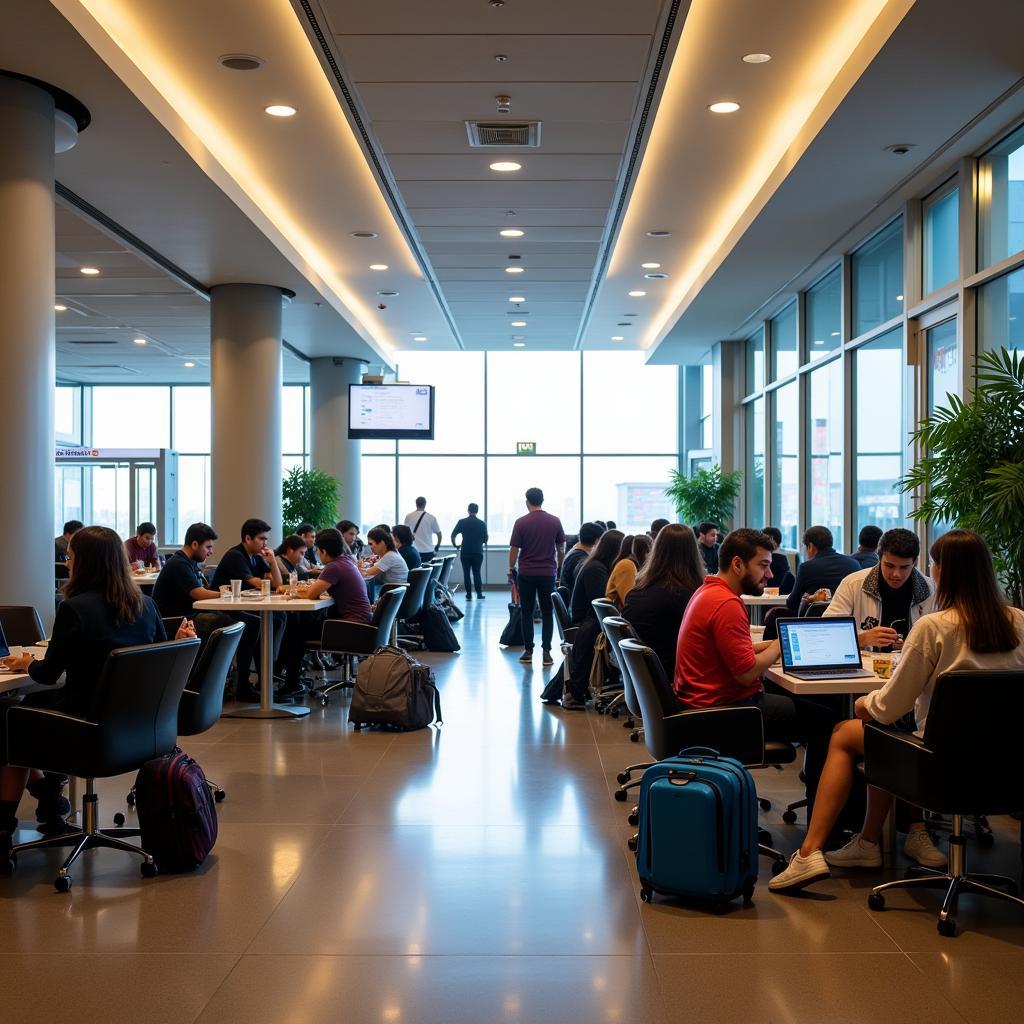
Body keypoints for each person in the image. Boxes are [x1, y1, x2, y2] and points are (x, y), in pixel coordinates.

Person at [769, 529, 1024, 893]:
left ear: (941, 571)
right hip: (1005, 763)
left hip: (939, 761)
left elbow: (887, 709)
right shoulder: (1019, 621)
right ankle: (871, 841)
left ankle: (810, 852)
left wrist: (863, 704)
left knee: (849, 732)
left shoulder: (934, 627)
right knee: (888, 733)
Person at [1, 526, 194, 838]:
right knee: (25, 711)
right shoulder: (147, 606)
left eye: (71, 556)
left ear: (86, 563)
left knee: (7, 719)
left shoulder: (75, 609)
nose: (66, 563)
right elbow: (159, 654)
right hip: (141, 729)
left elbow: (49, 674)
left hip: (88, 729)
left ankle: (7, 824)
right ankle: (49, 799)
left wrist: (28, 663)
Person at [675, 528, 835, 811]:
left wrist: (773, 643)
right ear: (738, 564)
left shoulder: (708, 592)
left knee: (806, 707)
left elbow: (736, 651)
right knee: (829, 723)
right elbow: (747, 672)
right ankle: (825, 819)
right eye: (763, 565)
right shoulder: (726, 604)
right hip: (728, 712)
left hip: (702, 705)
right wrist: (782, 646)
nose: (770, 574)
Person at [152, 521, 265, 703]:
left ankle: (237, 682)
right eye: (208, 547)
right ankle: (238, 685)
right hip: (177, 621)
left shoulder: (188, 563)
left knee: (250, 622)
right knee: (247, 624)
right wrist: (227, 593)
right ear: (195, 544)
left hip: (190, 616)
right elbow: (198, 593)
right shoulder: (179, 564)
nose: (211, 552)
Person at [278, 528, 372, 695]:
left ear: (323, 551)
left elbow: (313, 593)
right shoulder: (347, 561)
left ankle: (291, 684)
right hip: (362, 624)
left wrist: (295, 591)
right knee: (302, 625)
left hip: (352, 628)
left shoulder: (333, 567)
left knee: (294, 631)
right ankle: (291, 679)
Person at [825, 527, 934, 648]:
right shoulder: (853, 584)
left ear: (915, 562)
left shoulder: (931, 590)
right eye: (889, 566)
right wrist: (863, 638)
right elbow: (828, 632)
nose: (896, 574)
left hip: (913, 664)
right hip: (866, 664)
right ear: (879, 558)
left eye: (904, 567)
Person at [622, 524, 705, 682]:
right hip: (677, 679)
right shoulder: (687, 596)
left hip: (646, 681)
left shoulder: (637, 590)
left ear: (656, 551)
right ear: (693, 554)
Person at [211, 518, 286, 686]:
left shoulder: (256, 557)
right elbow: (257, 583)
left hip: (244, 605)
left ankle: (267, 673)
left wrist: (273, 561)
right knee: (255, 623)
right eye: (261, 538)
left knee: (280, 616)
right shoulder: (235, 556)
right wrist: (269, 579)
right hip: (222, 607)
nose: (265, 543)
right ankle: (243, 683)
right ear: (247, 539)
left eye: (266, 539)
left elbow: (277, 584)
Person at [564, 529, 624, 707]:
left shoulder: (595, 564)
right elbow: (601, 604)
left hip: (586, 621)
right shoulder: (596, 569)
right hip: (586, 623)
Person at [508, 487, 566, 667]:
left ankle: (528, 651)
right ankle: (547, 652)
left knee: (526, 611)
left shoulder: (521, 522)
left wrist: (511, 568)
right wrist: (559, 568)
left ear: (527, 502)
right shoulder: (555, 521)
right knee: (548, 612)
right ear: (542, 500)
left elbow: (514, 549)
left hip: (526, 573)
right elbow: (561, 549)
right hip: (548, 573)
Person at [782, 525, 861, 614]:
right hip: (848, 620)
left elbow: (792, 603)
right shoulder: (854, 564)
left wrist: (806, 597)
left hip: (814, 622)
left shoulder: (806, 567)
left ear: (810, 546)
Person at [451, 503, 489, 600]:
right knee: (477, 573)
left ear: (468, 510)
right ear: (477, 511)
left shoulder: (462, 522)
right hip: (477, 552)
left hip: (465, 552)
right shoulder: (482, 523)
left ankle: (469, 595)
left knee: (466, 573)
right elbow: (486, 539)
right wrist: (479, 542)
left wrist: (456, 545)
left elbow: (453, 535)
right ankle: (479, 594)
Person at [605, 534, 652, 609]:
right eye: (650, 552)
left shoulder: (628, 564)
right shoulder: (627, 565)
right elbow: (629, 600)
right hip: (623, 616)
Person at [560, 522, 603, 595]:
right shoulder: (581, 559)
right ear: (597, 541)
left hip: (569, 599)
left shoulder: (574, 552)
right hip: (574, 601)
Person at [763, 526, 795, 595]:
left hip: (771, 595)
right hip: (777, 595)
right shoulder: (782, 556)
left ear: (771, 539)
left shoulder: (774, 559)